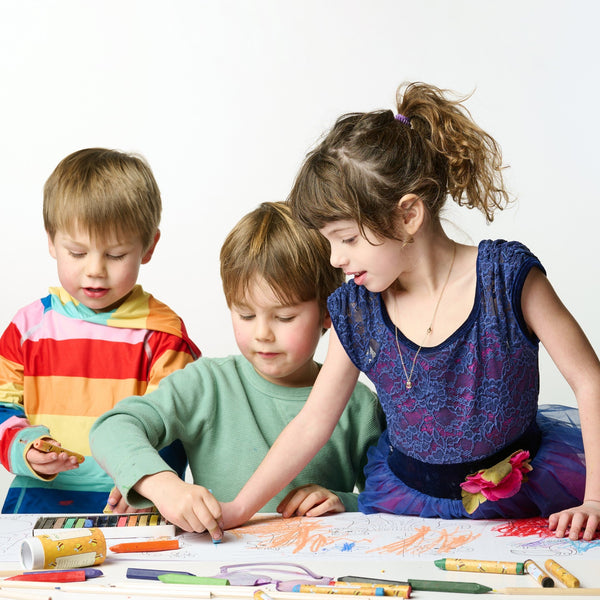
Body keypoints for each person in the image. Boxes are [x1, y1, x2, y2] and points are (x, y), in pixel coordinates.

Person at [213, 82, 600, 542]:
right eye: (328, 242)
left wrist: (595, 497)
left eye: (348, 239)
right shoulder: (357, 310)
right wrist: (239, 507)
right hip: (404, 504)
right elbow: (313, 422)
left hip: (521, 497)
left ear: (408, 215)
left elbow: (588, 379)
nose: (335, 259)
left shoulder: (505, 278)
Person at [90, 201, 383, 536]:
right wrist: (163, 486)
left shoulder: (359, 406)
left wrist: (345, 502)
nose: (262, 334)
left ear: (330, 312)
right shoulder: (207, 384)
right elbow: (111, 428)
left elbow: (391, 498)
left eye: (284, 317)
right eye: (245, 314)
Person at [0, 148, 200, 514]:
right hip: (37, 498)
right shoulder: (27, 329)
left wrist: (149, 478)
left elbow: (176, 425)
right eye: (77, 253)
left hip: (130, 501)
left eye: (115, 255)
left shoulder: (163, 336)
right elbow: (3, 408)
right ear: (51, 240)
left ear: (148, 246)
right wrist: (26, 447)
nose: (95, 270)